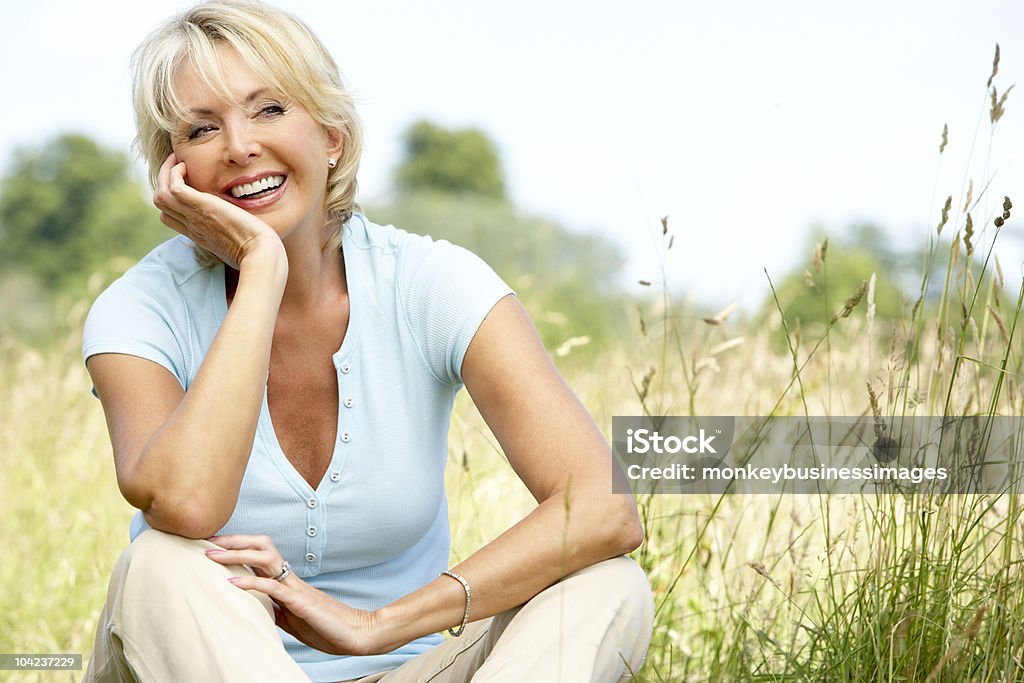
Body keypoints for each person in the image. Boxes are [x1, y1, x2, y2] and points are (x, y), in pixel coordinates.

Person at [80, 1, 654, 681]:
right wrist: (262, 269)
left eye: (269, 110)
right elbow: (190, 504)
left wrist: (376, 626)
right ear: (176, 172)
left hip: (405, 667)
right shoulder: (139, 310)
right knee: (164, 561)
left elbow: (603, 507)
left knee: (607, 584)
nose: (238, 145)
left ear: (332, 137)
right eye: (203, 128)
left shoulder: (429, 282)